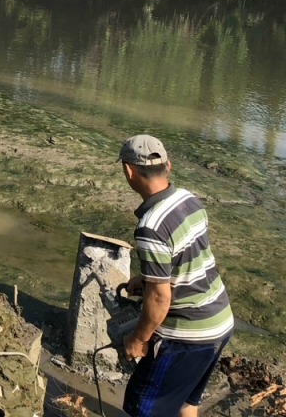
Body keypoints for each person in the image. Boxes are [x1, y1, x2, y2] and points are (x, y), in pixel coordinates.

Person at [118, 134, 234, 417]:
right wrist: (145, 279)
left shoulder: (150, 227)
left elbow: (159, 299)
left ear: (128, 170)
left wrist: (138, 340)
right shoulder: (189, 199)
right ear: (167, 167)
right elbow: (186, 258)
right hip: (220, 323)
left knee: (142, 408)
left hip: (187, 337)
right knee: (185, 402)